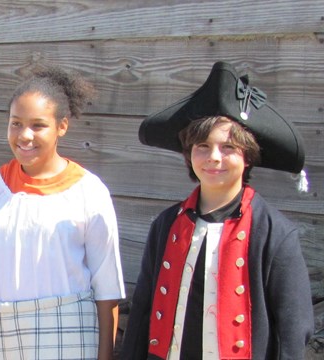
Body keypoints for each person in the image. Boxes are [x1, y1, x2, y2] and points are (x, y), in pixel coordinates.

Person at [121, 61, 314, 359]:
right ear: (188, 155)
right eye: (202, 146)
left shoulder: (274, 233)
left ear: (247, 157)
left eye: (228, 148)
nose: (214, 157)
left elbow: (293, 329)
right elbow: (144, 308)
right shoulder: (166, 224)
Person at [0, 66, 126, 360]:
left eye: (38, 125)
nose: (24, 135)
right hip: (1, 334)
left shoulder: (88, 191)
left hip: (67, 333)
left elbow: (107, 286)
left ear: (62, 126)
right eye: (16, 123)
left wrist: (105, 356)